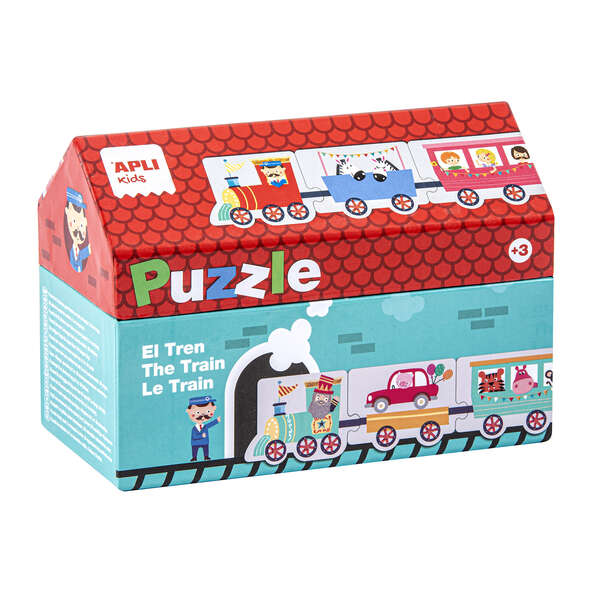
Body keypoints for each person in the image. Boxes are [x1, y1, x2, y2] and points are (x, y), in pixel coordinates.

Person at [186, 396, 221, 461]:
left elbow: (210, 424)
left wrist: (217, 421)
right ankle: (194, 457)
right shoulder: (194, 429)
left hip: (204, 442)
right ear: (188, 411)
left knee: (206, 449)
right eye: (198, 412)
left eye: (208, 411)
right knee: (195, 450)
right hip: (195, 443)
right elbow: (194, 436)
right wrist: (201, 435)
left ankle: (206, 456)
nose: (202, 417)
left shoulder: (205, 426)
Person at [64, 188, 91, 272]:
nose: (78, 229)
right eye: (74, 222)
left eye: (81, 225)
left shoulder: (82, 251)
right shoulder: (72, 252)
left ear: (85, 221)